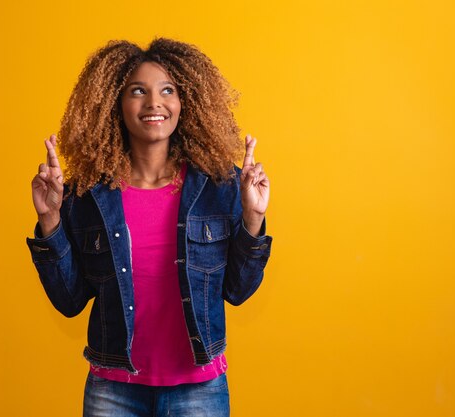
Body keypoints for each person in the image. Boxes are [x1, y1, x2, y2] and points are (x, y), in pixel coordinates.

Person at [26, 38, 273, 417]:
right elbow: (69, 301)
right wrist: (50, 219)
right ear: (116, 104)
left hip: (199, 389)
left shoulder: (221, 187)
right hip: (113, 390)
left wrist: (253, 219)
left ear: (185, 102)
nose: (154, 103)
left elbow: (239, 291)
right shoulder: (86, 194)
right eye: (137, 91)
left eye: (167, 90)